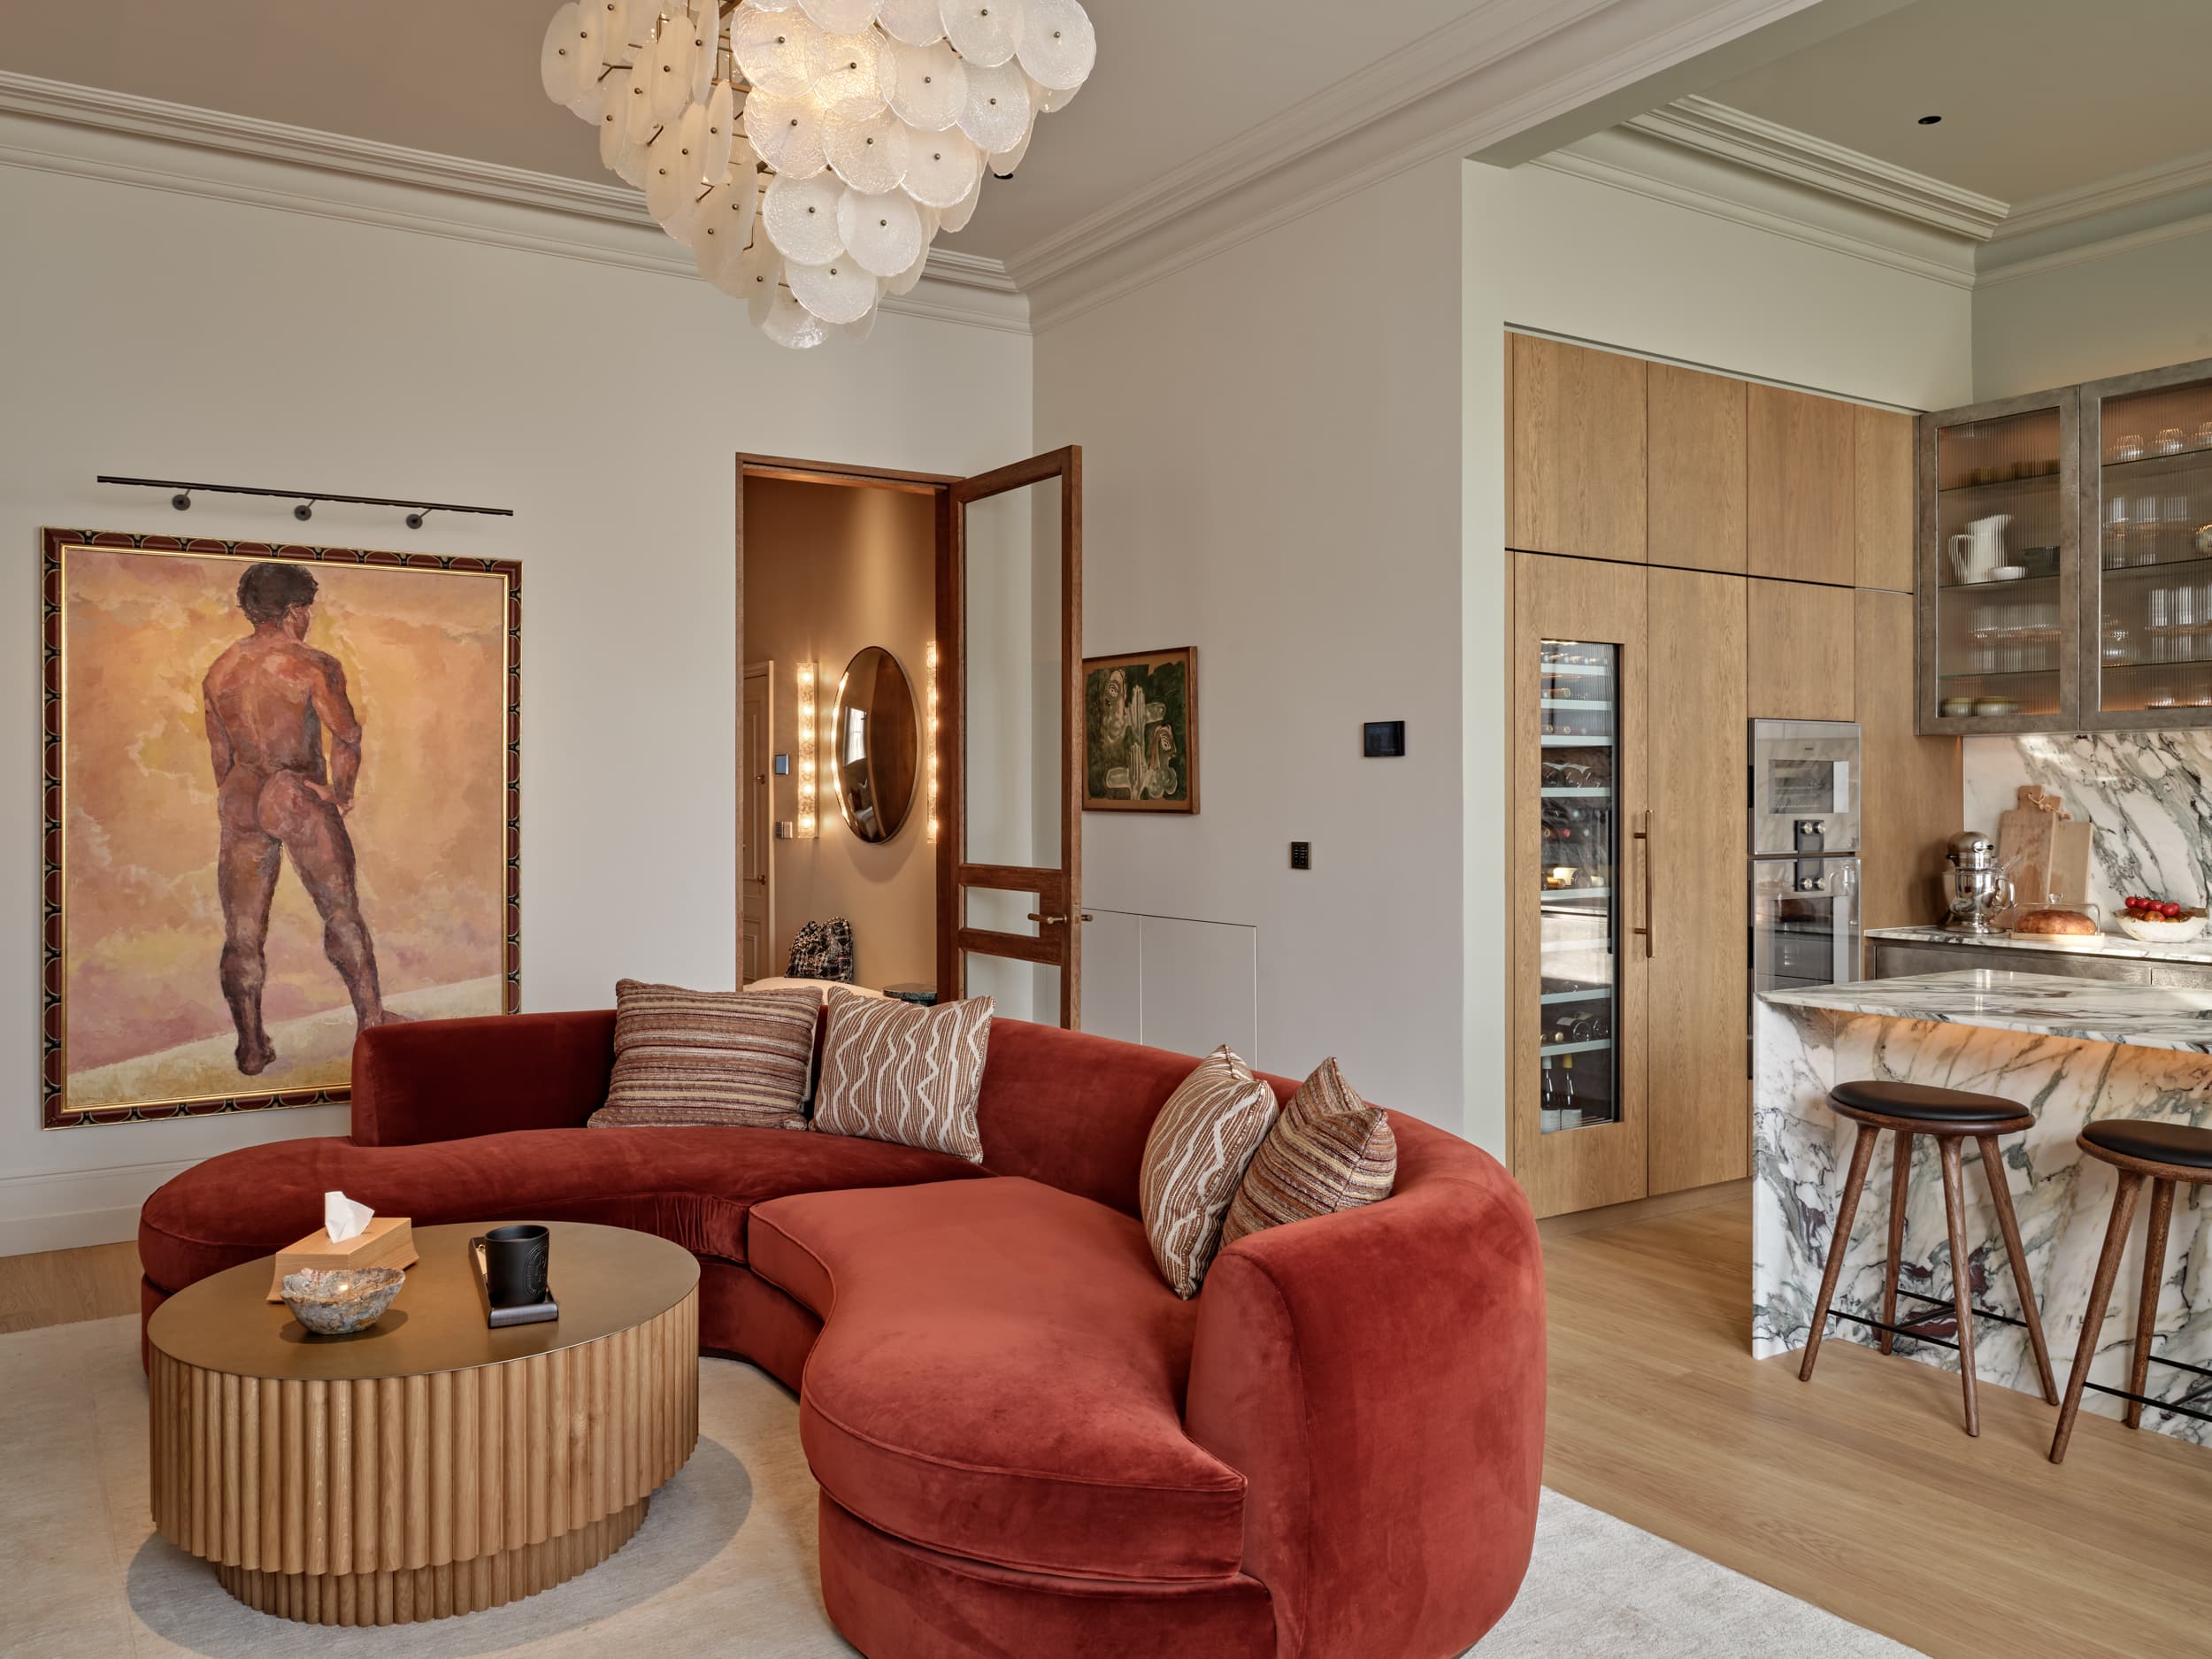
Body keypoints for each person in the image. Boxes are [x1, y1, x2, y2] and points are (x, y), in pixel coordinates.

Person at [201, 563, 392, 1076]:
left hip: (241, 797)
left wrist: (238, 800)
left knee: (242, 933)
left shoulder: (220, 670)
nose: (308, 617)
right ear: (293, 611)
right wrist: (342, 792)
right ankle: (372, 1024)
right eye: (305, 608)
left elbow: (220, 755)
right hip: (295, 791)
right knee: (341, 913)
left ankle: (251, 1045)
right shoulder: (312, 664)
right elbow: (346, 735)